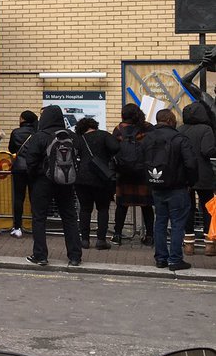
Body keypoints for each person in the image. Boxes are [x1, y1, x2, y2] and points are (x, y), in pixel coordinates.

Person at [21, 105, 83, 268]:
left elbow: (31, 161)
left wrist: (35, 177)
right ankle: (75, 256)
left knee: (39, 218)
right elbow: (79, 157)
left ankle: (40, 255)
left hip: (43, 181)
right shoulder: (72, 136)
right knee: (69, 218)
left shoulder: (39, 136)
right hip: (66, 182)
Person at [142, 108, 197, 271]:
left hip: (156, 186)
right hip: (177, 187)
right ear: (170, 120)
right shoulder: (179, 138)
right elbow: (191, 164)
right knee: (178, 224)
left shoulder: (147, 138)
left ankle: (161, 258)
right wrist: (191, 182)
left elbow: (141, 160)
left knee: (160, 222)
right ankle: (175, 259)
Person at [74, 117, 119, 250]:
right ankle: (100, 240)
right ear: (94, 125)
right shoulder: (104, 135)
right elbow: (116, 147)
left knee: (85, 209)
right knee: (103, 209)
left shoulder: (79, 139)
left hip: (82, 178)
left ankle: (84, 240)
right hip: (101, 178)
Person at [112, 103, 154, 246]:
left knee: (122, 206)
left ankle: (117, 235)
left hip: (124, 173)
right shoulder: (147, 128)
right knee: (147, 206)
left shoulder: (118, 130)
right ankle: (149, 236)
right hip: (143, 172)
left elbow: (114, 150)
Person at [178, 101, 216, 253]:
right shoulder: (206, 129)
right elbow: (208, 151)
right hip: (203, 174)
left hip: (184, 174)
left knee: (188, 208)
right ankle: (210, 244)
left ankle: (188, 244)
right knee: (207, 207)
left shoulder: (180, 129)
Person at [7, 110, 38, 238]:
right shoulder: (36, 133)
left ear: (23, 119)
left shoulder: (16, 132)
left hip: (19, 168)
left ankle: (17, 227)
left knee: (19, 198)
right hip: (33, 168)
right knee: (34, 198)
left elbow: (11, 149)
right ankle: (36, 226)